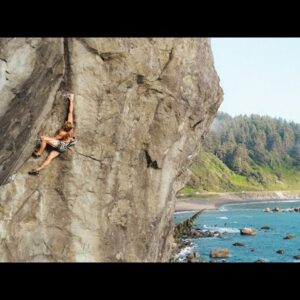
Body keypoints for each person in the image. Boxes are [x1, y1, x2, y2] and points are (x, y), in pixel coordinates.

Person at [28, 93, 77, 176]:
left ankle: (39, 153)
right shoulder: (71, 127)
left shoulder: (62, 133)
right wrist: (71, 99)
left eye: (65, 123)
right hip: (64, 148)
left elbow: (55, 139)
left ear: (65, 126)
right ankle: (38, 170)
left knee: (44, 139)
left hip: (61, 145)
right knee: (49, 158)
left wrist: (47, 139)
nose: (65, 122)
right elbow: (70, 111)